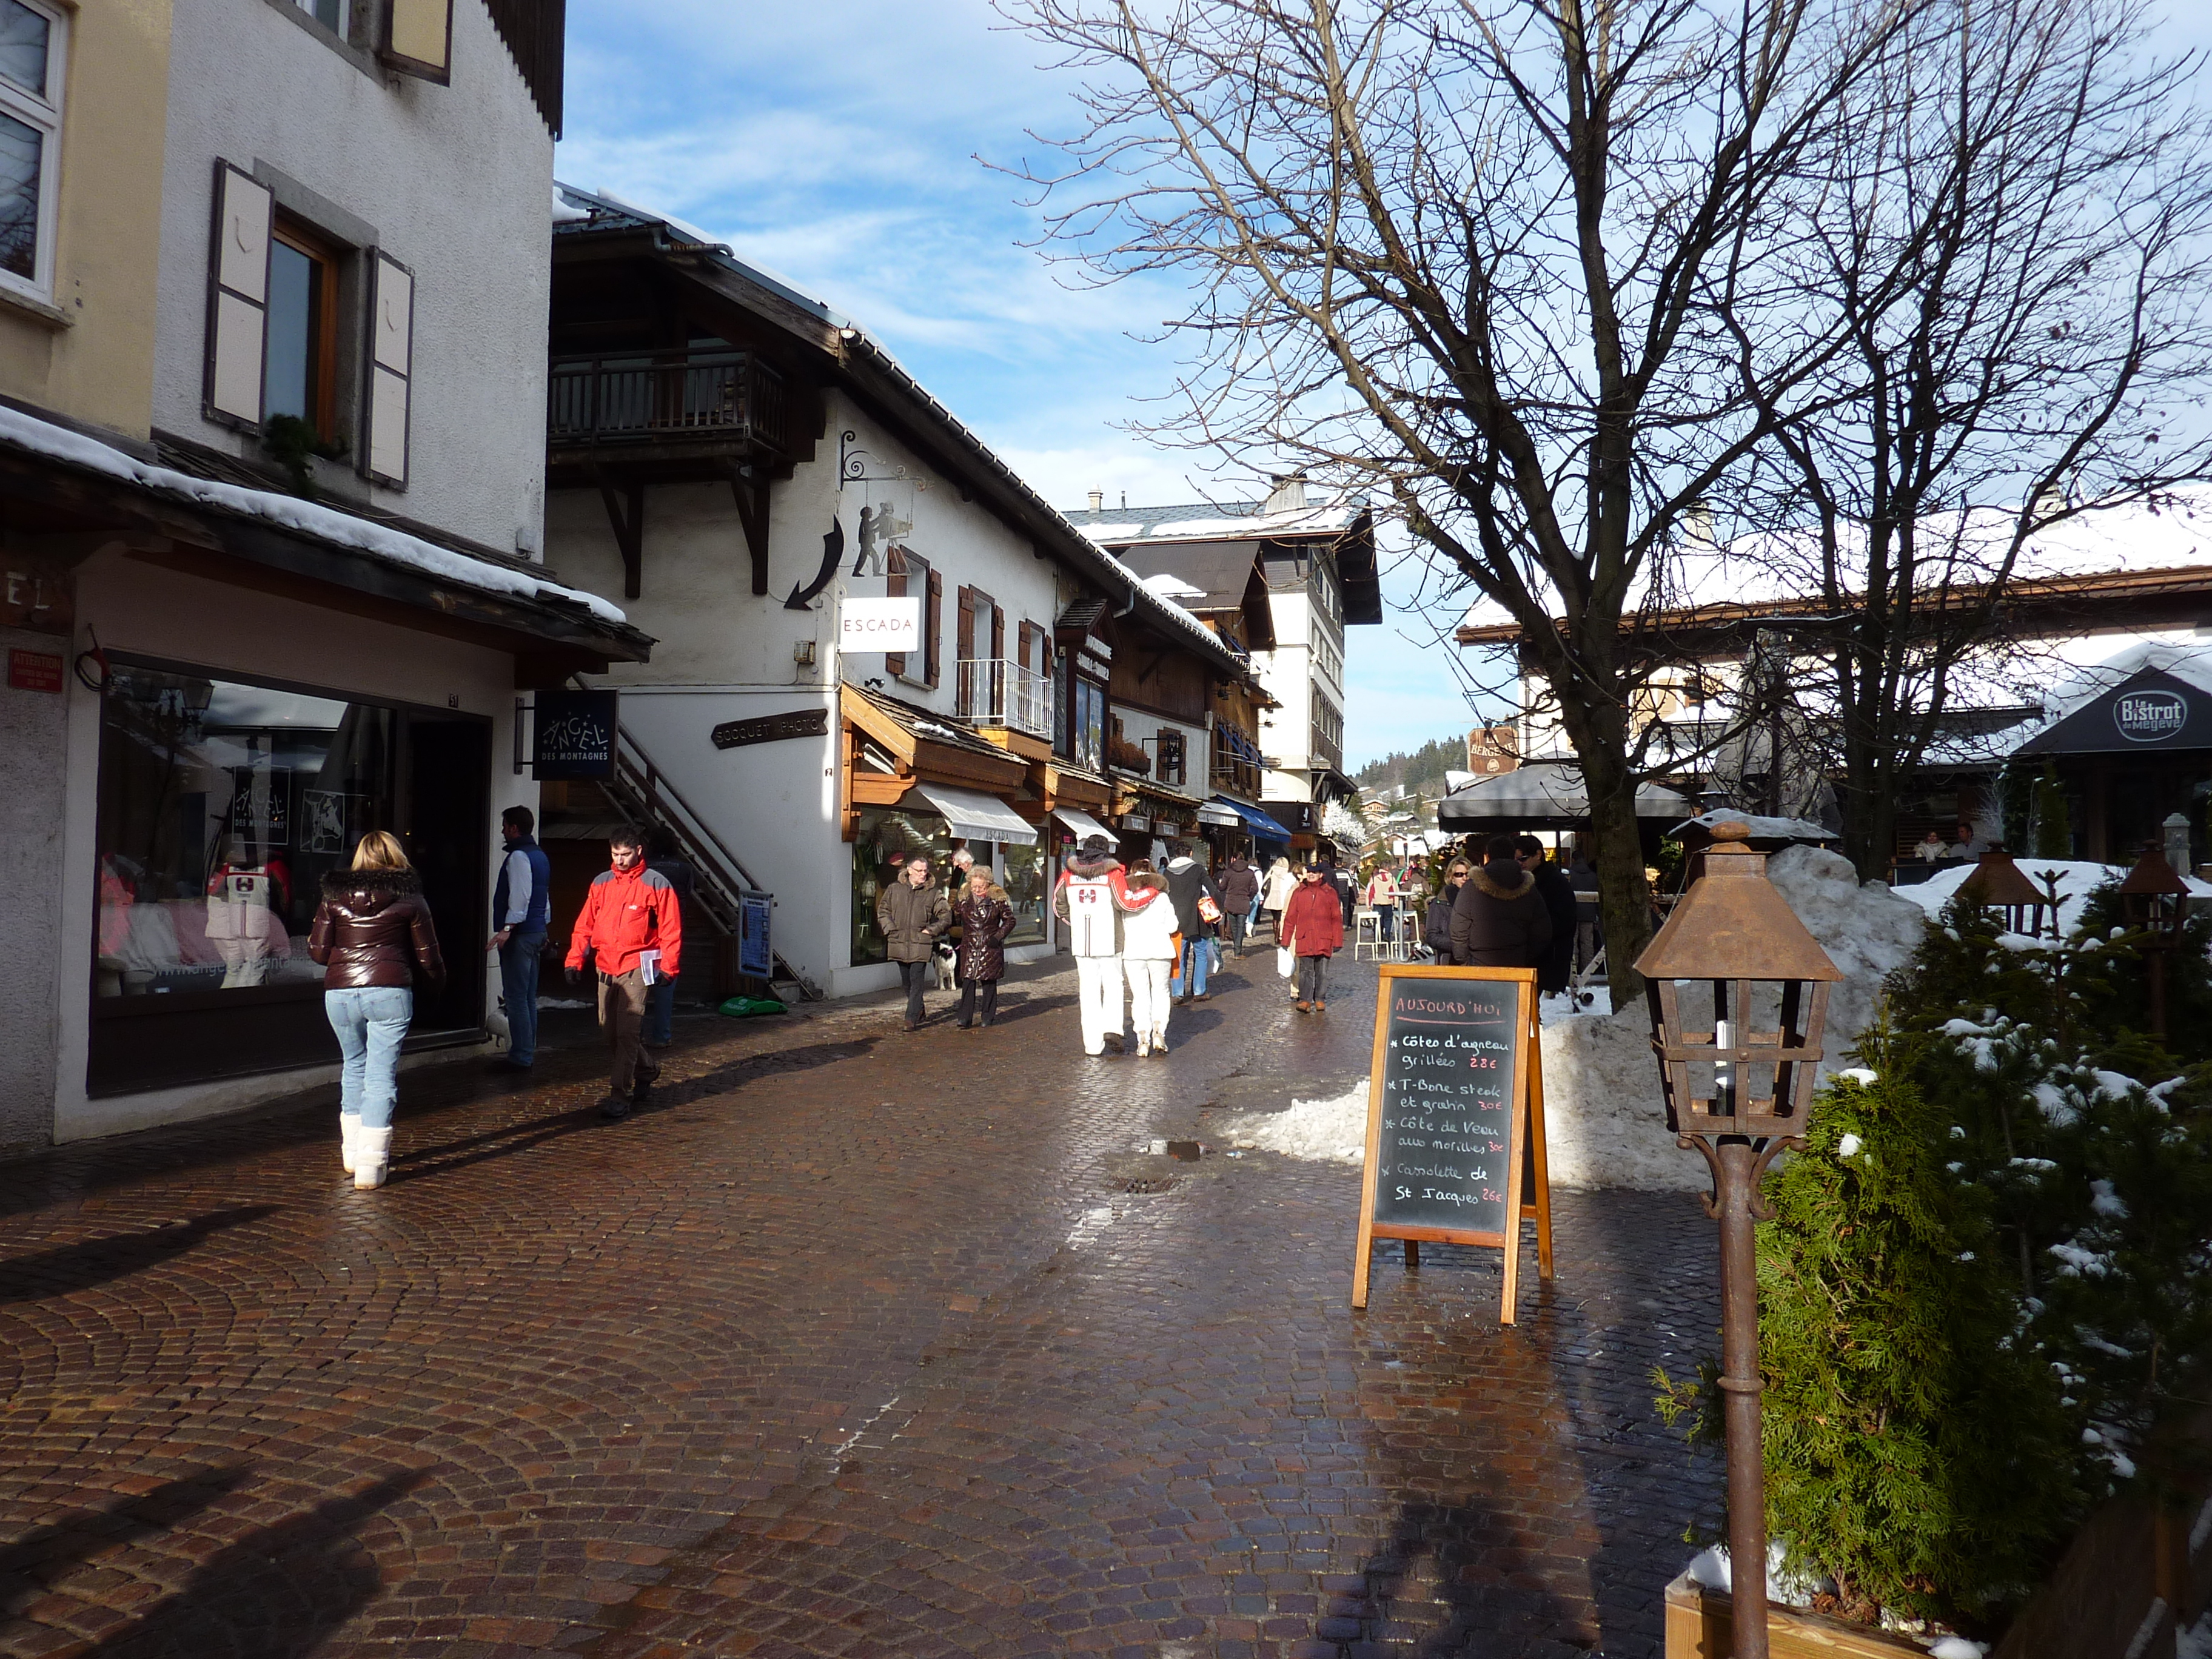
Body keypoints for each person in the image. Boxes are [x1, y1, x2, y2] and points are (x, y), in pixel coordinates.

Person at [308, 830, 444, 1190]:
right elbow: (428, 957)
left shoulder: (332, 898)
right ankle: (372, 1162)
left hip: (339, 991)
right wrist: (437, 985)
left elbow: (319, 953)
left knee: (354, 1065)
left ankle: (352, 1153)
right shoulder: (411, 899)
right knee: (381, 1075)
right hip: (389, 990)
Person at [565, 827, 685, 1119]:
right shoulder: (601, 883)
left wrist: (669, 968)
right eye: (615, 854)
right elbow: (585, 924)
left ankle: (620, 1093)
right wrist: (574, 959)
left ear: (639, 852)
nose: (619, 860)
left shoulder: (657, 884)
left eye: (625, 854)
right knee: (610, 1033)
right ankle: (647, 1069)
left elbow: (671, 930)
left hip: (636, 967)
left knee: (628, 1033)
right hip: (606, 965)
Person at [1053, 834, 1129, 1056]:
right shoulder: (1113, 874)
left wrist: (1074, 921)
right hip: (1110, 938)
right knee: (1114, 984)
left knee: (1088, 993)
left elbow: (1058, 905)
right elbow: (1125, 902)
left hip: (1082, 942)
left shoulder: (1069, 873)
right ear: (1106, 851)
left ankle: (1092, 1046)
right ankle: (1113, 1028)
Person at [488, 806, 551, 1072]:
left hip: (521, 935)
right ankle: (527, 1049)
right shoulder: (540, 856)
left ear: (514, 828)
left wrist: (507, 928)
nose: (502, 830)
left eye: (505, 826)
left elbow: (520, 897)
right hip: (536, 931)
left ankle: (521, 1055)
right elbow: (543, 898)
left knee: (516, 998)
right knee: (527, 998)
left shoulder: (518, 857)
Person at [1451, 833, 1554, 968]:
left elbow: (1459, 928)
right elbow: (1542, 931)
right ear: (1513, 855)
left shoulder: (1471, 887)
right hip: (1517, 962)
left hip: (1479, 963)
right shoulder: (1529, 888)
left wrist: (1463, 959)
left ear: (1488, 856)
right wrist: (1525, 956)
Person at [876, 853, 951, 1033]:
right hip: (899, 942)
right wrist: (890, 929)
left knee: (917, 982)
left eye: (925, 871)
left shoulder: (932, 893)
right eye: (919, 871)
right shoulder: (895, 889)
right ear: (909, 870)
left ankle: (910, 1019)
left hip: (920, 943)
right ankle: (919, 1008)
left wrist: (931, 931)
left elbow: (946, 916)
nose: (923, 874)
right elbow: (883, 910)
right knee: (907, 983)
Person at [642, 829, 697, 1051]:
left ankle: (635, 1034)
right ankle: (662, 1035)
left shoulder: (645, 868)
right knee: (666, 985)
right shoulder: (684, 869)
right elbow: (689, 894)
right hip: (672, 930)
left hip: (645, 931)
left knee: (639, 985)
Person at [1117, 859, 1179, 1055]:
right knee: (1161, 992)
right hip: (1160, 949)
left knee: (1140, 996)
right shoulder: (1161, 898)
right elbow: (1173, 926)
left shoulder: (1127, 898)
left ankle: (1142, 1037)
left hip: (1134, 952)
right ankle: (1159, 1032)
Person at [1514, 834, 1579, 996]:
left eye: (1523, 859)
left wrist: (1534, 931)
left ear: (1538, 855)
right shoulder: (1527, 879)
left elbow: (1565, 920)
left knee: (1529, 1002)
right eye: (1515, 860)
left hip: (1547, 955)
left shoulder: (1554, 882)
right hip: (1536, 953)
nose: (1519, 864)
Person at [951, 865, 1015, 1028]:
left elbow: (1010, 921)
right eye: (974, 886)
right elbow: (954, 915)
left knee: (989, 983)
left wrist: (998, 937)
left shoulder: (997, 900)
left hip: (989, 945)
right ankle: (964, 1018)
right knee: (968, 982)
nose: (977, 890)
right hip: (970, 945)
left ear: (988, 885)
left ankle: (988, 1017)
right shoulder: (964, 899)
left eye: (981, 886)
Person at [1281, 862, 1346, 1011]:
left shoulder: (1330, 893)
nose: (1311, 874)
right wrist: (1285, 939)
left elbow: (1336, 918)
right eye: (1309, 872)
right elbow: (1290, 918)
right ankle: (1305, 1000)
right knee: (1305, 971)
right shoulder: (1299, 893)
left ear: (1321, 875)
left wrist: (1338, 941)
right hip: (1305, 938)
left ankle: (1320, 999)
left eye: (1314, 873)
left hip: (1324, 938)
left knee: (1322, 972)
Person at [1162, 840, 1220, 1002]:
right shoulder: (1198, 870)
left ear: (1175, 854)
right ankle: (1199, 991)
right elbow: (1213, 889)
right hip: (1197, 920)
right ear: (1190, 853)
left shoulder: (1167, 872)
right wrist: (1219, 910)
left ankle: (1178, 993)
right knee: (1200, 954)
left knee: (1179, 956)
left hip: (1176, 921)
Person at [1423, 857, 1470, 959]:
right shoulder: (1439, 903)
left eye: (1468, 874)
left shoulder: (1477, 900)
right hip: (1449, 960)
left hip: (1475, 962)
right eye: (1459, 875)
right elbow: (1432, 937)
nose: (1464, 878)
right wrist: (1458, 946)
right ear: (1451, 878)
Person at [1217, 851, 1260, 955]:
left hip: (1231, 902)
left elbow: (1222, 887)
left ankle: (1236, 948)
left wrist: (1220, 884)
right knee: (1241, 927)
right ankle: (1238, 950)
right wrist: (1249, 897)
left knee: (1234, 927)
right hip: (1244, 902)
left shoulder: (1229, 872)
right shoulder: (1250, 873)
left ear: (1233, 859)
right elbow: (1255, 888)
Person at [1261, 855, 1296, 940]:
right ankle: (1279, 935)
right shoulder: (1287, 872)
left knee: (1274, 918)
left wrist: (1264, 889)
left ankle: (1275, 933)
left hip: (1272, 896)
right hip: (1282, 896)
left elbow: (1265, 881)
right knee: (1281, 917)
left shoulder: (1273, 870)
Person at [1364, 862, 1401, 942]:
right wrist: (1396, 904)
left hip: (1377, 902)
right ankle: (1387, 935)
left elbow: (1370, 892)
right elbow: (1396, 891)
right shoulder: (1391, 878)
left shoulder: (1374, 878)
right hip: (1388, 902)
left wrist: (1368, 905)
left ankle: (1379, 937)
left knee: (1378, 921)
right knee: (1388, 919)